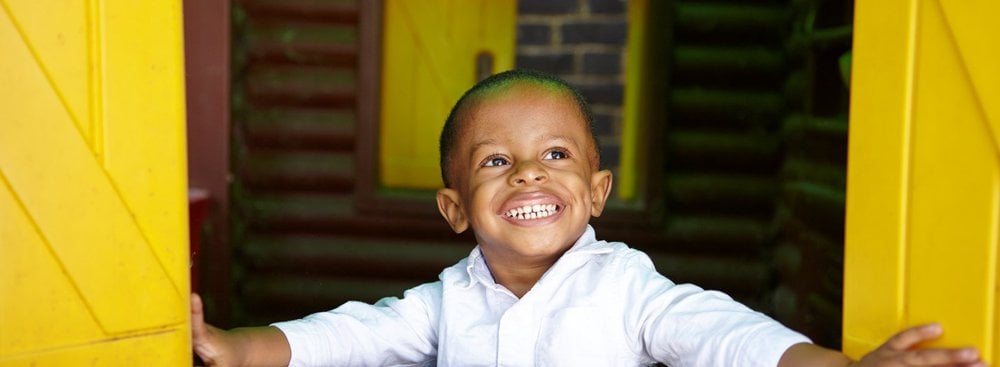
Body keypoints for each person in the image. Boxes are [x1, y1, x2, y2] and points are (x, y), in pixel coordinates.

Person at [191, 69, 986, 366]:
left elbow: (729, 338)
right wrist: (233, 345)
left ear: (598, 191)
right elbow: (346, 336)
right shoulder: (446, 301)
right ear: (454, 208)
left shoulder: (627, 288)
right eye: (495, 161)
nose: (529, 171)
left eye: (557, 156)